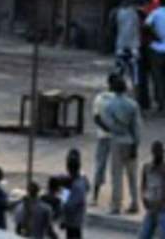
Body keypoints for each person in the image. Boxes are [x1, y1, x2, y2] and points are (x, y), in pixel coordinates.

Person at [104, 73, 141, 214]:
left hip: (116, 140)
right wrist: (136, 144)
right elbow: (137, 127)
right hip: (130, 140)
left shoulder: (110, 105)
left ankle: (116, 205)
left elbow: (109, 124)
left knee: (116, 174)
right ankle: (135, 203)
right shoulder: (133, 105)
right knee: (132, 175)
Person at [143, 1, 165, 114]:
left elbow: (146, 26)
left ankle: (161, 103)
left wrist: (155, 36)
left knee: (157, 78)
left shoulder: (155, 13)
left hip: (156, 49)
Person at [90, 73, 115, 205]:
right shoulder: (118, 99)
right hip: (113, 137)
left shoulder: (100, 98)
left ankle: (95, 196)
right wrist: (112, 129)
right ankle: (103, 196)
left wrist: (106, 128)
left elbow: (96, 118)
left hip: (104, 136)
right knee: (110, 167)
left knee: (100, 165)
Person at [135, 0, 160, 111]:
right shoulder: (157, 10)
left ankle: (144, 101)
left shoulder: (140, 11)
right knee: (156, 75)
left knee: (141, 75)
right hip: (154, 46)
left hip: (141, 45)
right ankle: (159, 100)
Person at [109, 0, 140, 88]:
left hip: (121, 44)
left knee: (119, 68)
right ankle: (136, 90)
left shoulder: (116, 12)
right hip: (134, 45)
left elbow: (112, 28)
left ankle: (116, 88)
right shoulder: (137, 12)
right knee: (135, 71)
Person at [62, 149, 89, 239]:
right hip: (77, 218)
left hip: (74, 219)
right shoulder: (81, 178)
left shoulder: (76, 184)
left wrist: (63, 217)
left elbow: (68, 204)